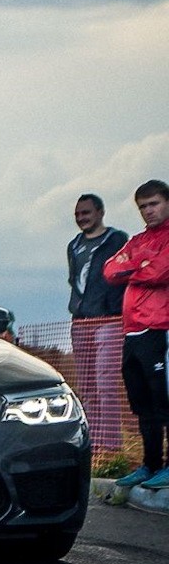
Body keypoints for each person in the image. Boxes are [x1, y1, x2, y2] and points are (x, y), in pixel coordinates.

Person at [103, 179, 169, 489]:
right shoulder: (137, 240)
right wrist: (139, 266)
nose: (148, 211)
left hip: (160, 328)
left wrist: (133, 268)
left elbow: (160, 271)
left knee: (164, 399)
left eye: (153, 204)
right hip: (132, 331)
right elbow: (109, 270)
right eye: (143, 207)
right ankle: (150, 464)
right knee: (142, 403)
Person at [67, 193, 130, 453]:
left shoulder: (116, 239)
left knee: (106, 383)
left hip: (109, 319)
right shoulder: (74, 245)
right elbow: (74, 279)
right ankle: (93, 443)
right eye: (78, 214)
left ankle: (111, 445)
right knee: (87, 386)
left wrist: (115, 304)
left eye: (86, 213)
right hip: (81, 321)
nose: (82, 218)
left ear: (100, 212)